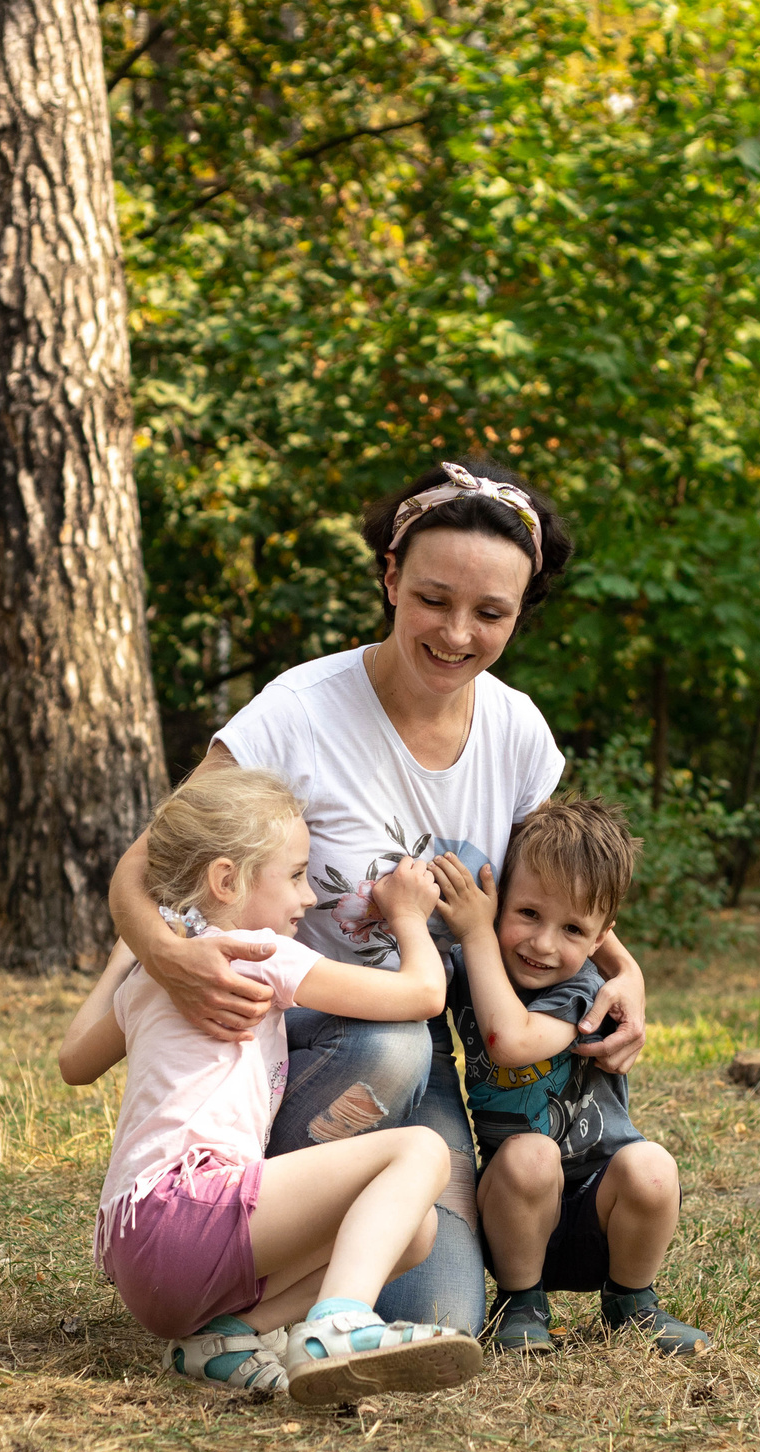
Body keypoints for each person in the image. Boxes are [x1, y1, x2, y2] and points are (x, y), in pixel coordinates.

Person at [102, 460, 650, 1335]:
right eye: (433, 598)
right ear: (391, 577)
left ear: (520, 612)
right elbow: (145, 863)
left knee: (446, 1311)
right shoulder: (300, 712)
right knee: (389, 1044)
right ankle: (236, 1231)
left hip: (420, 1045)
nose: (457, 633)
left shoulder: (517, 731)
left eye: (491, 613)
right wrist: (170, 959)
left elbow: (555, 882)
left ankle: (278, 1299)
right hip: (305, 1032)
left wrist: (625, 970)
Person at [61, 767, 483, 1408]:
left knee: (416, 1229)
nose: (309, 896)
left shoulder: (161, 977)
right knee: (420, 1150)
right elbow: (424, 994)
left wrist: (134, 953)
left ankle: (225, 1337)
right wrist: (407, 915)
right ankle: (338, 1323)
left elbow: (73, 1060)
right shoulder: (257, 952)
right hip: (186, 1215)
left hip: (137, 1249)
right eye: (295, 875)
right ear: (226, 881)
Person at [428, 801, 708, 1357]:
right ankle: (522, 1304)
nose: (543, 944)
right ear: (498, 899)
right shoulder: (467, 968)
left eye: (573, 929)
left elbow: (512, 1044)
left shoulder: (582, 987)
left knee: (653, 1167)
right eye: (528, 913)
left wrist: (478, 932)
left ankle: (631, 1300)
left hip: (600, 1212)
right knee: (530, 1155)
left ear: (601, 939)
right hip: (515, 1213)